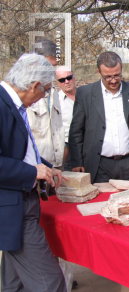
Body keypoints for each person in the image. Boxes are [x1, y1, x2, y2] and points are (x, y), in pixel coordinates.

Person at [0, 53, 66, 292]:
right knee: (50, 282)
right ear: (34, 85)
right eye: (45, 91)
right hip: (13, 209)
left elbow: (19, 150)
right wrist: (31, 172)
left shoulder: (11, 103)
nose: (44, 97)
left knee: (14, 283)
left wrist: (45, 166)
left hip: (19, 205)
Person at [69, 51, 129, 184]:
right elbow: (76, 130)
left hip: (127, 163)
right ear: (99, 72)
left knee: (128, 202)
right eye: (108, 77)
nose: (113, 80)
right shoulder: (85, 93)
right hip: (98, 164)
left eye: (117, 75)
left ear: (121, 69)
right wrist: (77, 161)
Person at [26, 38, 65, 170]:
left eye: (55, 66)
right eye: (49, 65)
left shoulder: (53, 90)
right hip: (34, 167)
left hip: (56, 165)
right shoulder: (23, 92)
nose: (52, 71)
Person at [57, 68, 76, 171]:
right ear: (58, 83)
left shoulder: (85, 95)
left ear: (74, 77)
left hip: (88, 147)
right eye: (62, 80)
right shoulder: (56, 101)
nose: (67, 82)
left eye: (69, 78)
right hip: (68, 148)